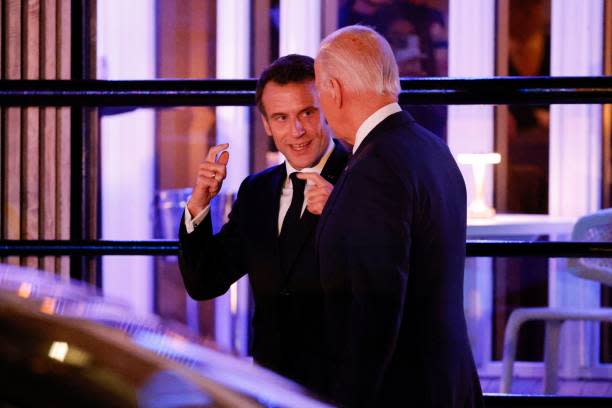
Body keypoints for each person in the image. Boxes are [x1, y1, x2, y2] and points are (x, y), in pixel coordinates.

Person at [312, 25, 483, 406]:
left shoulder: (374, 168)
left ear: (334, 90)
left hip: (402, 392)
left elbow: (374, 310)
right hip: (449, 383)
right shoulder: (433, 149)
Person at [178, 54, 349, 397]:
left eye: (307, 113)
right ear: (267, 125)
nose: (296, 131)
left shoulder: (359, 180)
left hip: (344, 390)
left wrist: (342, 216)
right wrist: (199, 205)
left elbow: (392, 284)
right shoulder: (257, 190)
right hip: (271, 388)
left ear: (327, 110)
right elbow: (204, 281)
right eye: (281, 118)